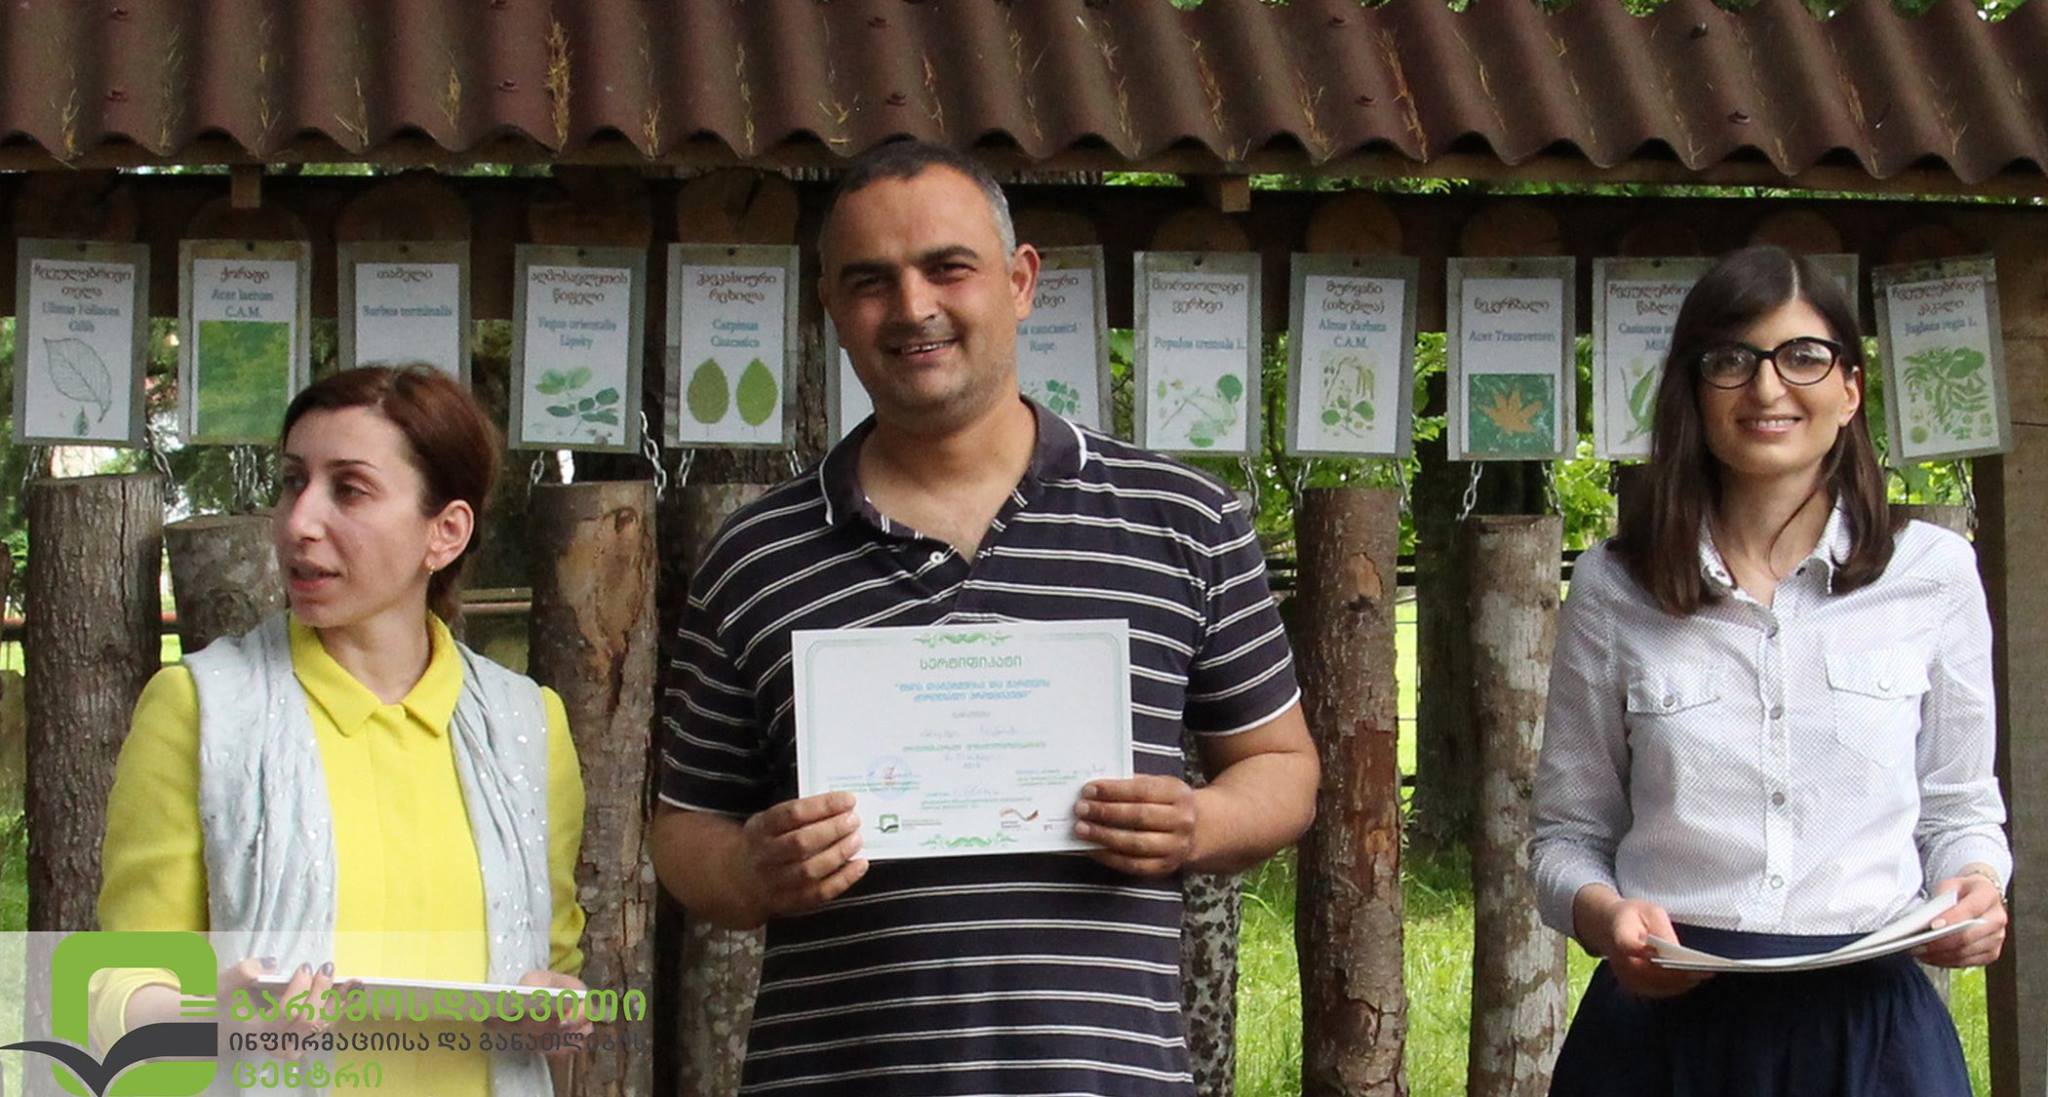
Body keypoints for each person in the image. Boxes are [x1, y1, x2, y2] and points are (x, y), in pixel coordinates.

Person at [651, 140, 1320, 1095]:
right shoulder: (756, 555)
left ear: (1020, 281)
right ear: (832, 307)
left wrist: (1198, 822)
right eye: (871, 281)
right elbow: (684, 831)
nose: (912, 306)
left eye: (948, 268)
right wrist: (752, 871)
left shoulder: (1183, 521)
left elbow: (1284, 769)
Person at [1530, 245, 2009, 1096]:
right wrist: (1607, 919)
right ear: (1693, 391)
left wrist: (1974, 888)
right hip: (1664, 1034)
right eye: (1732, 361)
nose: (1767, 387)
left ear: (1850, 389)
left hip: (1874, 1037)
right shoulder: (1613, 585)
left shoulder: (1933, 574)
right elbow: (1567, 838)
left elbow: (1960, 810)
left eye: (1803, 356)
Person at [97, 365, 590, 1096]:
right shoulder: (200, 709)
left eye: (349, 489)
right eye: (293, 481)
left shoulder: (527, 727)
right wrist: (218, 1017)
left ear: (446, 532)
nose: (300, 521)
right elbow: (116, 1001)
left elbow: (554, 988)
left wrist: (557, 1018)